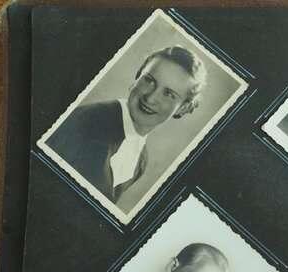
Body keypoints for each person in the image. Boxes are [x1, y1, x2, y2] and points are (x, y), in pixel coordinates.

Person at [46, 46, 207, 204]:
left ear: (183, 108)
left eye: (168, 94)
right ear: (138, 76)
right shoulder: (86, 121)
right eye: (149, 80)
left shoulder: (141, 159)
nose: (150, 98)